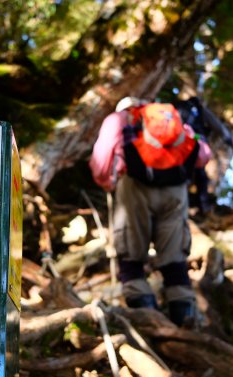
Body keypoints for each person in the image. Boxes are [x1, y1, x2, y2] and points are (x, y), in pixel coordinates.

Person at [89, 97, 212, 327]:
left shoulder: (119, 119)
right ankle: (184, 315)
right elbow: (203, 154)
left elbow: (100, 162)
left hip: (135, 187)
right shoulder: (172, 120)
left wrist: (108, 182)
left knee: (131, 254)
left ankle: (147, 318)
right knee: (174, 254)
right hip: (176, 191)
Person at [173, 96, 233, 214]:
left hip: (176, 141)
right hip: (194, 140)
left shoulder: (177, 106)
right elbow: (218, 126)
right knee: (200, 175)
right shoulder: (200, 110)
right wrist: (228, 139)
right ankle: (202, 205)